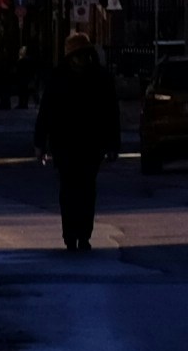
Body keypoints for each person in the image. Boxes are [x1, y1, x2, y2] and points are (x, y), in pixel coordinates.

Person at [36, 30, 123, 255]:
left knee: (86, 190)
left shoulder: (100, 78)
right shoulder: (58, 77)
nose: (81, 59)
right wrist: (40, 143)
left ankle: (84, 234)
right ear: (70, 57)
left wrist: (113, 144)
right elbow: (46, 111)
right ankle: (70, 235)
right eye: (77, 55)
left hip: (91, 143)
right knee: (68, 191)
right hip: (64, 144)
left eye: (84, 55)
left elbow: (111, 113)